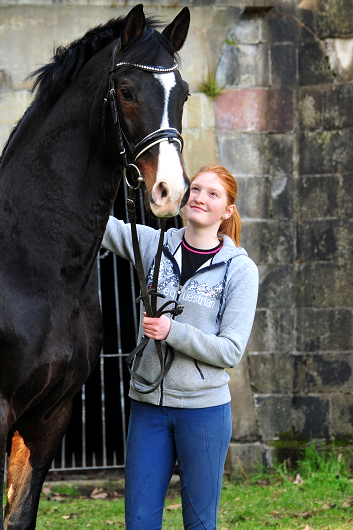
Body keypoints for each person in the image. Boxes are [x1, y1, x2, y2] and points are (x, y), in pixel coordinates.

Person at [102, 163, 259, 530]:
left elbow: (230, 351)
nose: (200, 198)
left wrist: (173, 331)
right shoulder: (155, 244)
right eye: (196, 189)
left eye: (213, 194)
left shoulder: (239, 269)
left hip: (203, 412)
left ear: (228, 211)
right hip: (149, 406)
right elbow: (100, 225)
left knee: (200, 524)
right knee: (139, 522)